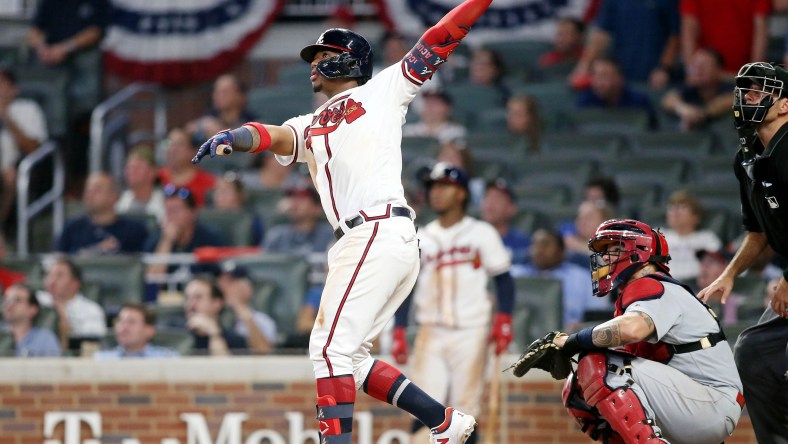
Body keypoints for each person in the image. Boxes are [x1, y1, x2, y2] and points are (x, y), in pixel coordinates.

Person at [192, 2, 496, 441]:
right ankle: (445, 423)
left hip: (375, 228)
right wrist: (233, 138)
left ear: (347, 59)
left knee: (328, 350)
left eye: (321, 57)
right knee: (349, 359)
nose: (313, 66)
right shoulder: (311, 121)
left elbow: (436, 40)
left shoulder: (384, 89)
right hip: (368, 239)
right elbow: (275, 134)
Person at [549, 219, 743, 444]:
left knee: (601, 365)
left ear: (638, 250)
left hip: (711, 403)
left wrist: (573, 341)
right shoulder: (642, 294)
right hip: (694, 403)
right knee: (576, 386)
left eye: (615, 249)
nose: (606, 258)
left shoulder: (653, 285)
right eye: (606, 252)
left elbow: (633, 329)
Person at [697, 61, 788, 443]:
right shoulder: (748, 158)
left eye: (757, 91)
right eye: (744, 90)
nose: (746, 97)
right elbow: (757, 231)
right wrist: (729, 274)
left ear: (784, 105)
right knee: (753, 353)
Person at [392, 164, 514, 444]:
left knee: (465, 411)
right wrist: (399, 328)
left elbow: (504, 279)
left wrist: (504, 318)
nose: (435, 193)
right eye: (432, 187)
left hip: (471, 331)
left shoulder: (481, 232)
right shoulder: (420, 235)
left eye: (443, 186)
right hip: (430, 331)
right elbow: (408, 287)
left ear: (460, 194)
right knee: (421, 406)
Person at [512, 228, 609, 331]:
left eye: (545, 245)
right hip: (520, 334)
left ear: (561, 251)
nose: (539, 250)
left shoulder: (582, 278)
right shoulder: (514, 275)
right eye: (535, 245)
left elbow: (599, 317)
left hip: (569, 337)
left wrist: (582, 327)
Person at [569, 0, 679, 88]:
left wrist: (664, 68)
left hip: (653, 75)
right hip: (620, 74)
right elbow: (601, 33)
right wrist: (584, 65)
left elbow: (675, 34)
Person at [144, 184, 226, 281]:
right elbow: (152, 283)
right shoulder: (156, 240)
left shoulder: (210, 238)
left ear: (192, 213)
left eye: (176, 210)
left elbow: (222, 277)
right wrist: (167, 241)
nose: (171, 216)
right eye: (168, 211)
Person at [54, 172, 149, 254]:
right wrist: (97, 250)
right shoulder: (72, 229)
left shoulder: (134, 231)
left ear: (114, 196)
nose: (89, 195)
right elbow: (57, 259)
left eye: (97, 190)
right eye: (87, 189)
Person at [0, 67, 48, 228]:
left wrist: (6, 117)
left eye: (1, 83)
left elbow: (33, 149)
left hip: (14, 170)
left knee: (9, 175)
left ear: (14, 89)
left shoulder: (28, 109)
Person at [679, 0, 770, 75]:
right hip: (706, 74)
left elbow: (760, 30)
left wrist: (753, 74)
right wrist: (691, 70)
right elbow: (689, 29)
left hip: (739, 72)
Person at [37, 257, 107, 352]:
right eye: (49, 274)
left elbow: (92, 343)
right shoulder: (35, 301)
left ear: (75, 283)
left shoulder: (92, 310)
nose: (52, 280)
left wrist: (64, 318)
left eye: (59, 275)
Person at [661, 48, 734, 131]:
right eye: (695, 65)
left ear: (718, 70)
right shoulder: (689, 88)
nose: (698, 69)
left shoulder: (727, 87)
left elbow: (733, 99)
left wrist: (703, 114)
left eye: (704, 65)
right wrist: (683, 109)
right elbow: (668, 99)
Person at [576, 57, 658, 130]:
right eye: (595, 76)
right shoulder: (585, 102)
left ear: (619, 78)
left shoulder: (639, 102)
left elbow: (651, 133)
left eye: (604, 76)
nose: (598, 82)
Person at [216, 261, 277, 354]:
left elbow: (264, 353)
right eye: (221, 281)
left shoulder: (262, 321)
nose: (223, 286)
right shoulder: (212, 315)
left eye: (231, 282)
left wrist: (246, 317)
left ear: (248, 288)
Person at [661, 189, 722, 281]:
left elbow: (717, 267)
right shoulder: (658, 235)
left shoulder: (707, 238)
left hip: (696, 287)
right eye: (671, 207)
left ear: (696, 216)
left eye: (683, 207)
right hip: (664, 285)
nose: (676, 212)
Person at [262, 181, 332, 256]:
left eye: (301, 199)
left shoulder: (330, 236)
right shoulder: (276, 236)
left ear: (317, 208)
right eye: (292, 198)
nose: (295, 203)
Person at [185, 74, 256, 146]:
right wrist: (202, 125)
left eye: (224, 92)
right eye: (216, 91)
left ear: (240, 96)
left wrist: (220, 132)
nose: (217, 95)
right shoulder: (211, 115)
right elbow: (187, 129)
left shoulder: (251, 121)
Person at [183, 276, 247, 356]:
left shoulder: (235, 341)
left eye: (198, 297)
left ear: (217, 303)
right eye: (187, 298)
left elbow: (224, 367)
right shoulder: (174, 331)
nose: (191, 303)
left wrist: (214, 335)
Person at [94, 304, 179, 359]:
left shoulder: (167, 358)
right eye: (120, 321)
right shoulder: (102, 358)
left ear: (149, 330)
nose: (123, 327)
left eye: (131, 322)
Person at [159, 127, 217, 208]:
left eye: (179, 145)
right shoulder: (157, 177)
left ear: (193, 151)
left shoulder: (208, 183)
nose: (172, 149)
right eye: (169, 144)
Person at [480, 178, 530, 265]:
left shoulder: (524, 244)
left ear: (512, 208)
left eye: (497, 198)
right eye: (487, 197)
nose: (490, 203)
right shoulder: (468, 239)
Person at [2, 283, 61, 357]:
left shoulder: (45, 339)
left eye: (17, 300)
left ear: (33, 309)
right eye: (7, 299)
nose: (9, 304)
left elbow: (53, 367)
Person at [211, 172, 264, 246]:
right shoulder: (208, 220)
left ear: (239, 194)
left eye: (225, 191)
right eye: (217, 191)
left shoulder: (252, 220)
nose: (219, 196)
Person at [115, 143, 165, 222]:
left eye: (138, 167)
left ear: (153, 171)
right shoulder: (119, 203)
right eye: (129, 167)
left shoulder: (165, 203)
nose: (131, 172)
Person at [403, 89, 467, 143]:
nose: (430, 107)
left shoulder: (456, 132)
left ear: (447, 108)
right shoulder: (409, 131)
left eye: (435, 103)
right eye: (427, 102)